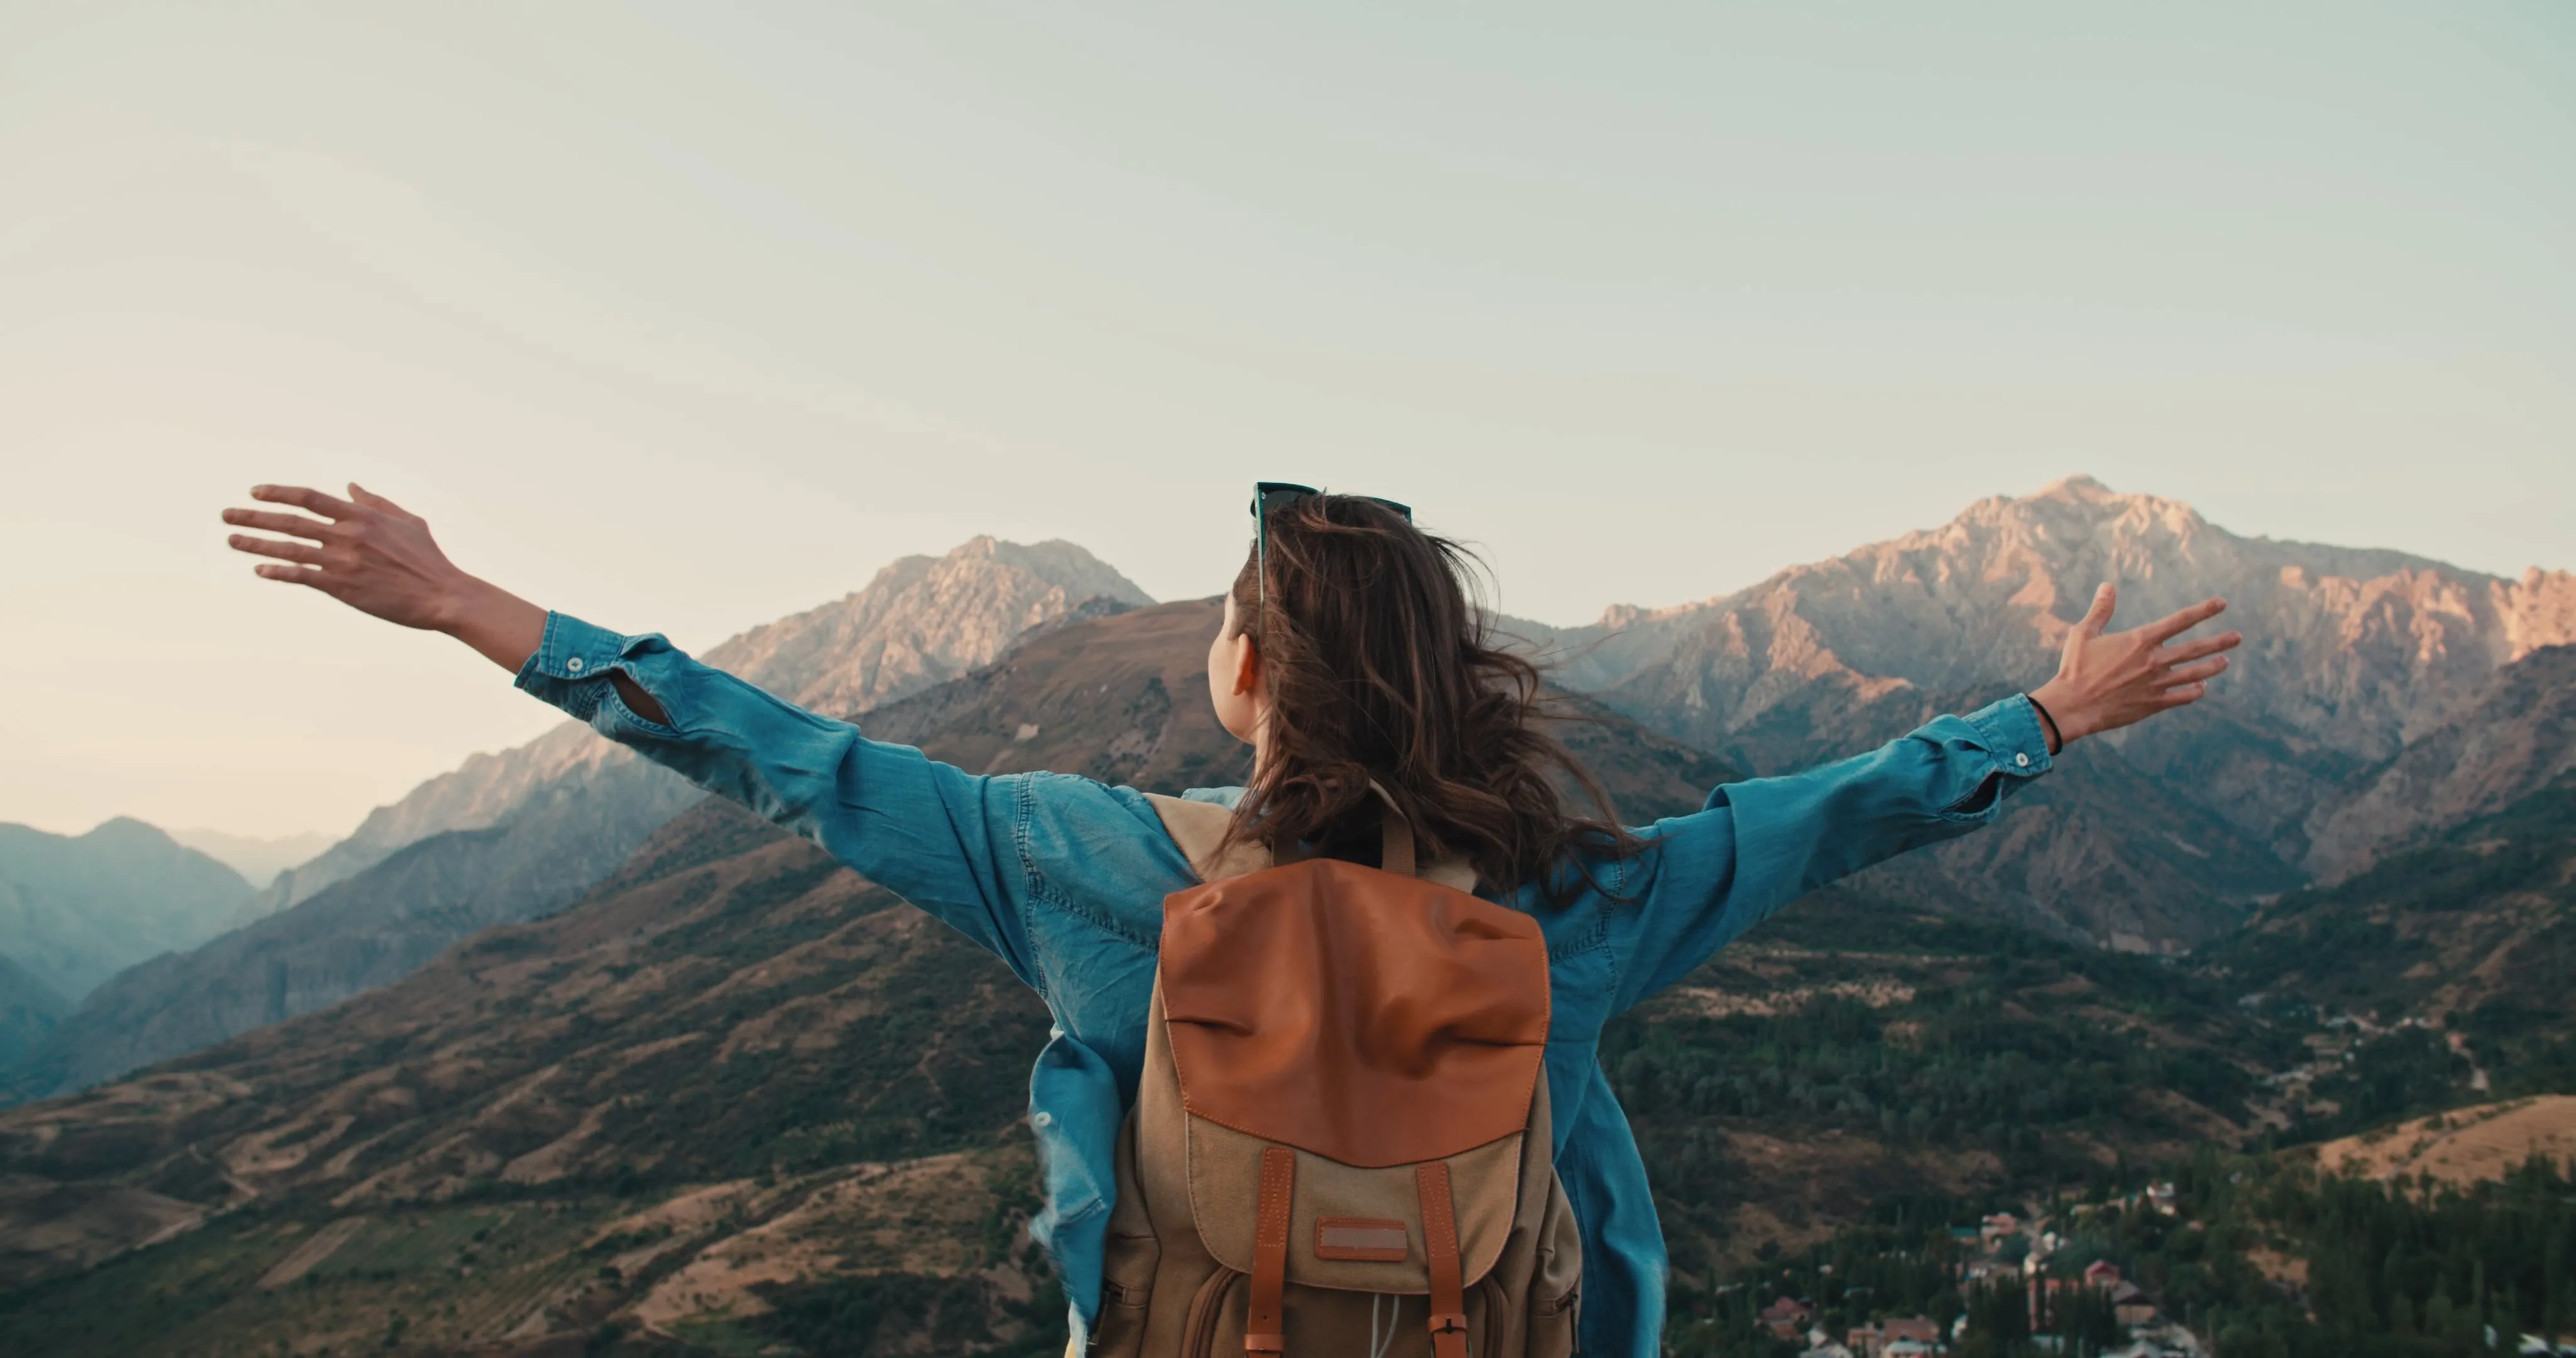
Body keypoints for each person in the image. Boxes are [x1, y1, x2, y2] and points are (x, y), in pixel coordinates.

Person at [221, 481, 2240, 1357]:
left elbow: (784, 757)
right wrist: (2046, 718)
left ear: (1253, 678)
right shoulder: (1568, 906)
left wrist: (479, 611)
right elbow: (1819, 821)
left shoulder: (1083, 864)